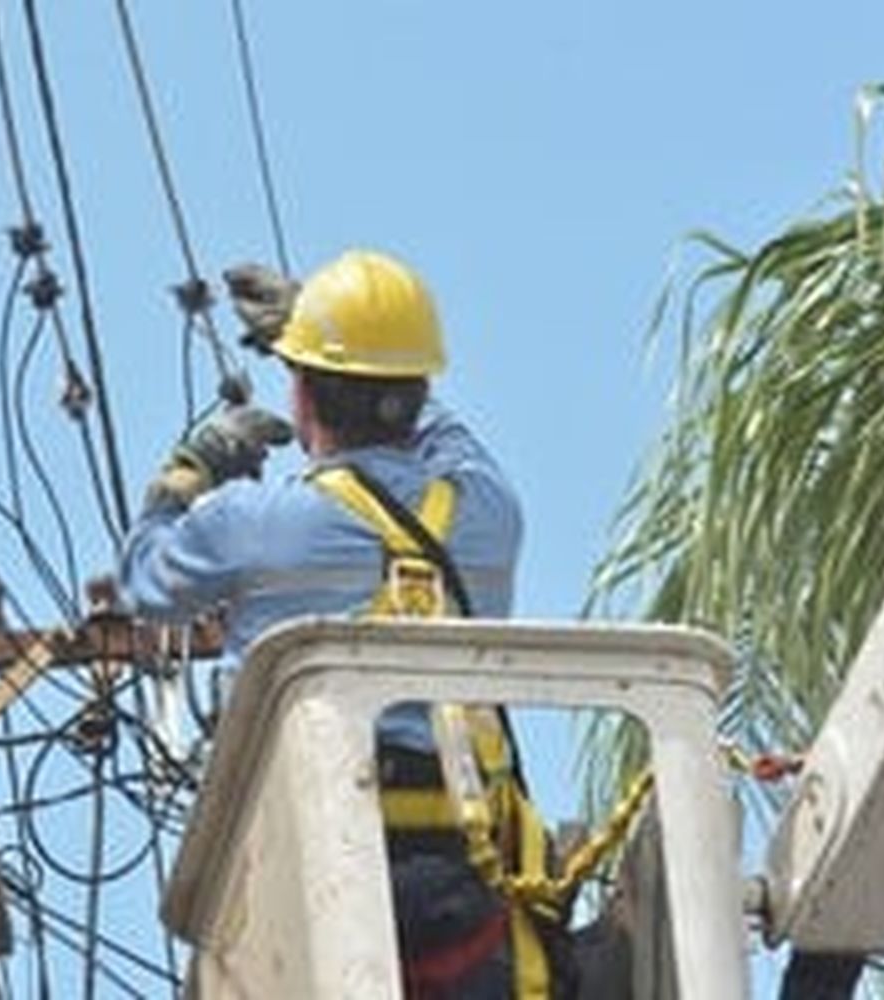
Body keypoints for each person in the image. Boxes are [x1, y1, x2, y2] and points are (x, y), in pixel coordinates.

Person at [120, 250, 569, 998]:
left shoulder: (253, 524)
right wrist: (347, 346)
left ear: (301, 397)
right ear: (418, 390)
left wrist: (186, 472)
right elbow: (447, 439)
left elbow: (147, 581)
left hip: (305, 869)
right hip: (464, 885)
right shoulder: (487, 514)